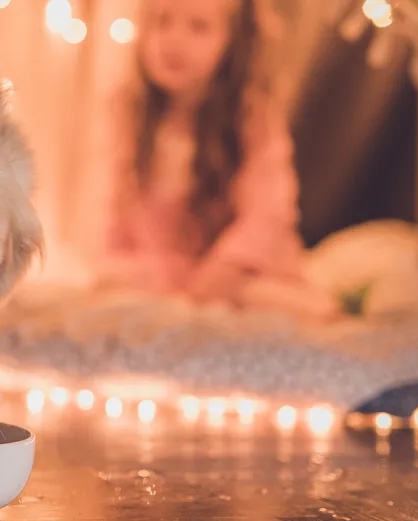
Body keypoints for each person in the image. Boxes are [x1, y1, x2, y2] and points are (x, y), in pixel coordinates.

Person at [105, 0, 340, 320]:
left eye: (198, 27)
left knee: (276, 303)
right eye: (162, 21)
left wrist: (218, 276)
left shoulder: (250, 118)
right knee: (112, 285)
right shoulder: (132, 113)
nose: (174, 40)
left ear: (233, 42)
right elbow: (120, 215)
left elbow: (268, 214)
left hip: (242, 269)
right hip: (171, 270)